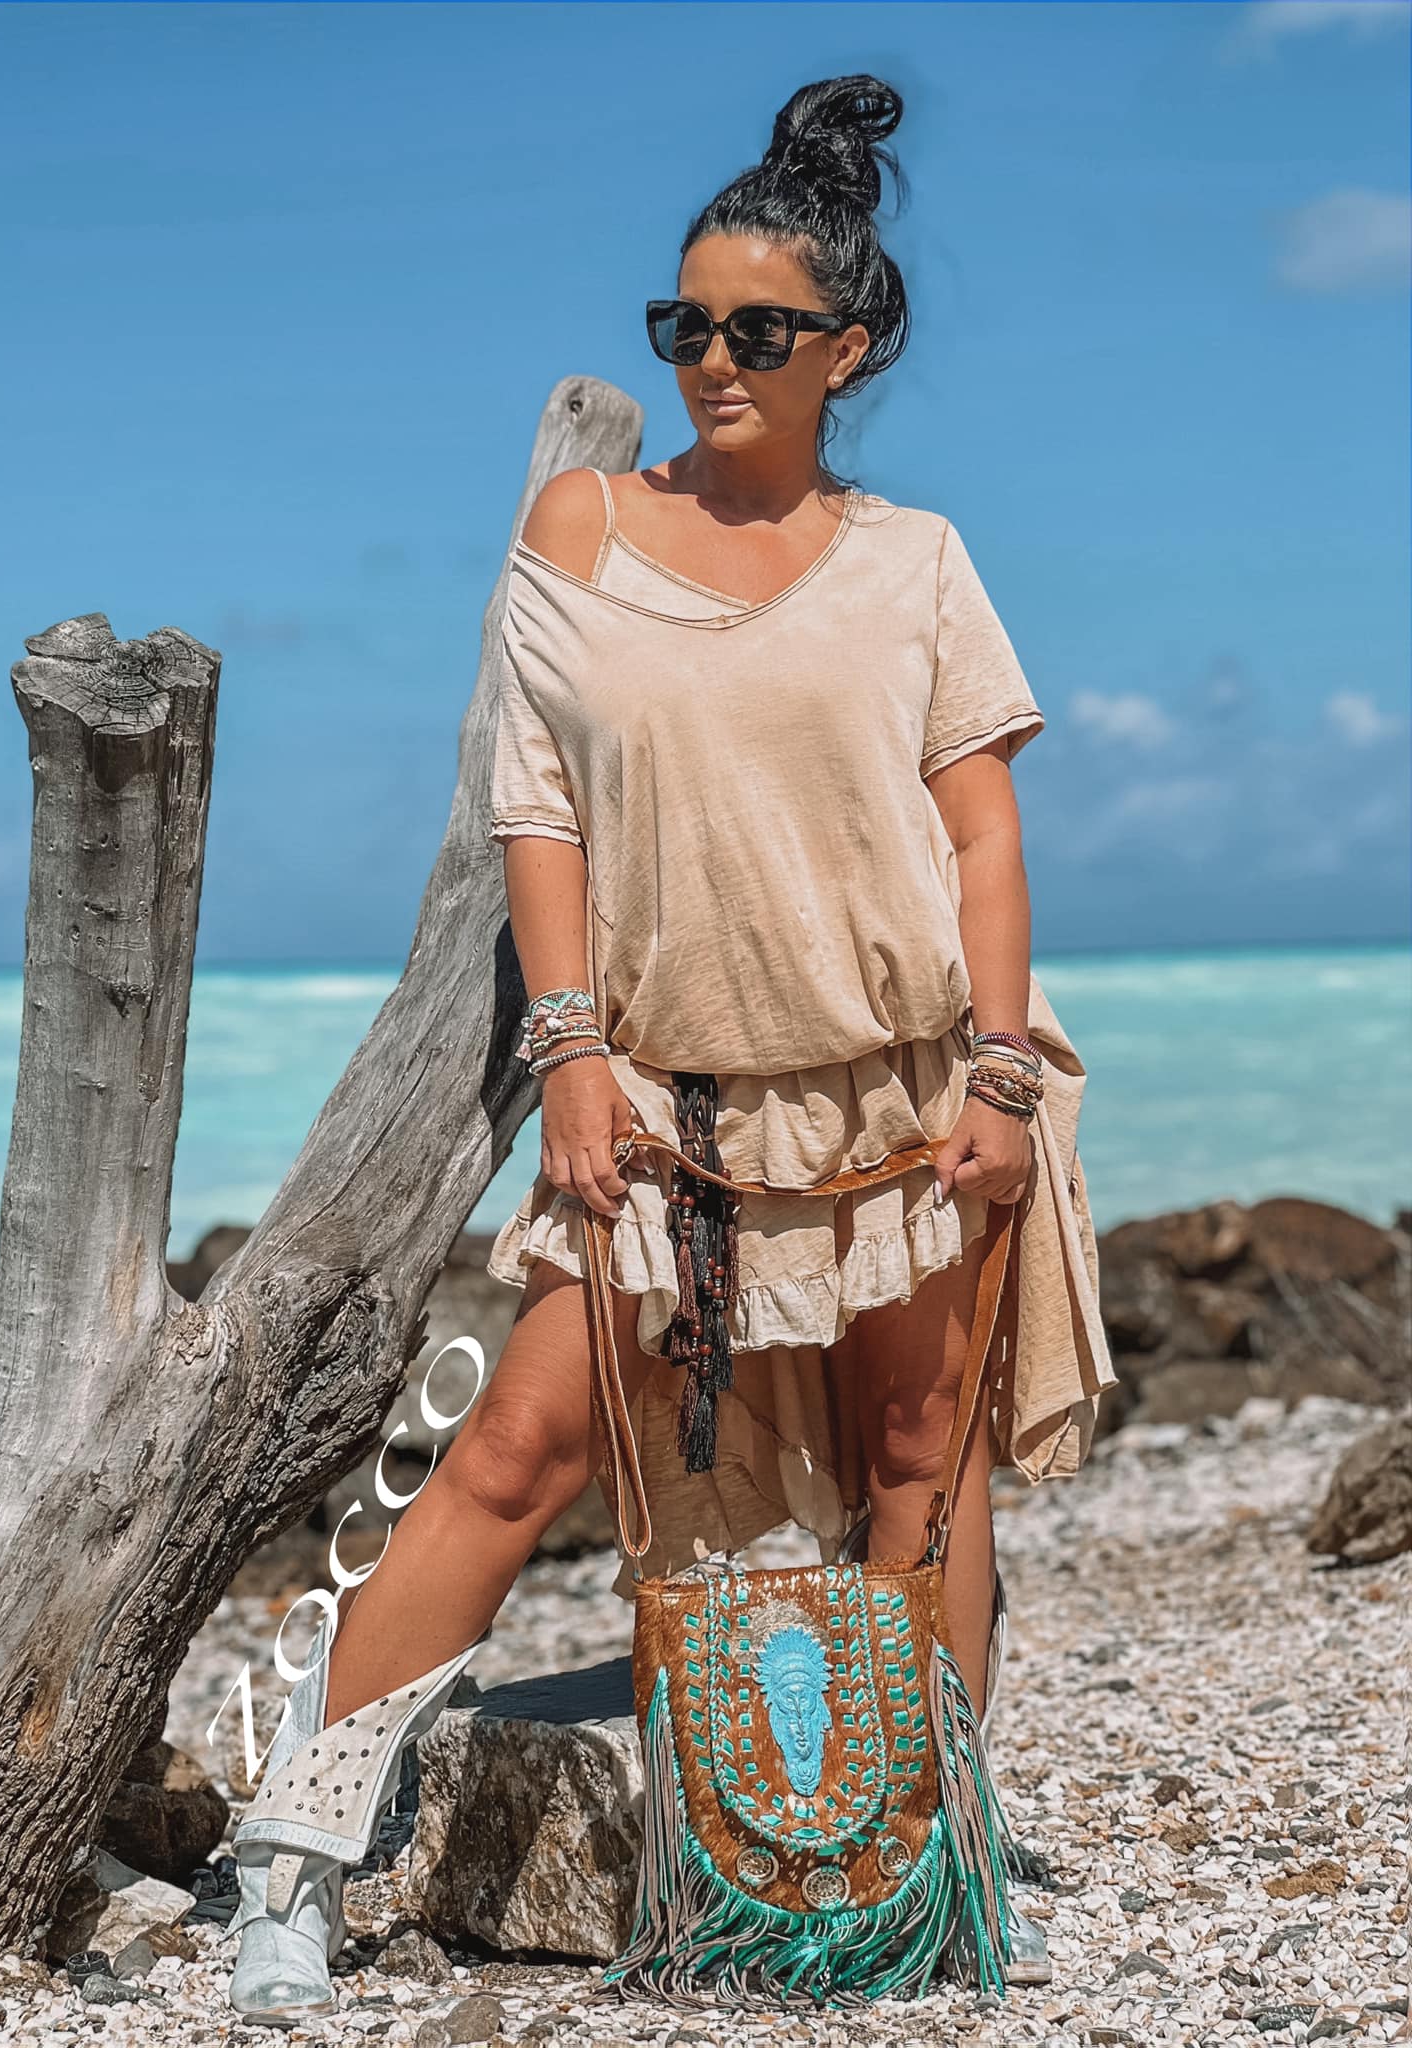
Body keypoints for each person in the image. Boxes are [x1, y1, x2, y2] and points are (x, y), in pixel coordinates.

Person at [226, 73, 1118, 2026]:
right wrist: (566, 1058)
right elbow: (537, 806)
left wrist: (997, 1074)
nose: (713, 360)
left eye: (759, 331)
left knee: (924, 1463)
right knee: (515, 1453)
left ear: (847, 348)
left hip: (899, 1088)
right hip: (672, 1111)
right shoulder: (589, 522)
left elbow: (982, 837)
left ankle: (927, 1857)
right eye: (685, 325)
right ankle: (286, 1857)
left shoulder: (918, 560)